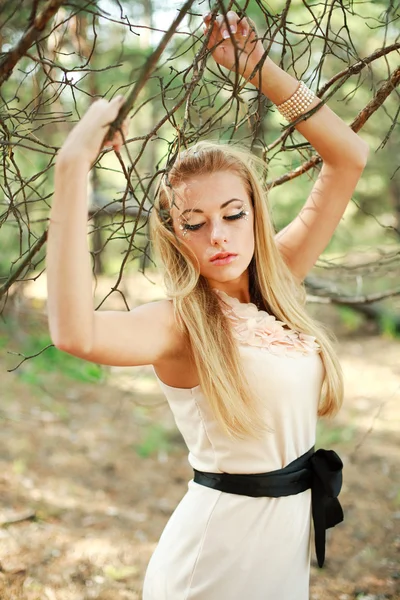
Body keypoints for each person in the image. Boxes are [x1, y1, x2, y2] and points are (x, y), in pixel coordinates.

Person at [46, 9, 369, 600]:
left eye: (233, 215)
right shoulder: (181, 323)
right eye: (194, 223)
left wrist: (259, 69)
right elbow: (76, 333)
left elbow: (348, 159)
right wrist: (72, 169)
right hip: (215, 563)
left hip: (282, 552)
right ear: (173, 233)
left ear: (255, 214)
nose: (218, 236)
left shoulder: (278, 284)